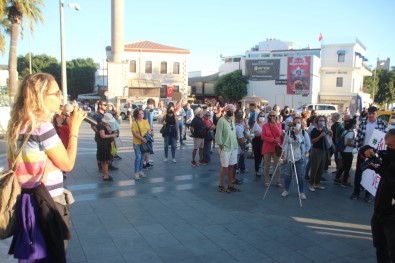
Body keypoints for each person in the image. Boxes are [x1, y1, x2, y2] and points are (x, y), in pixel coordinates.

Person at [6, 73, 86, 262]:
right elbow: (67, 164)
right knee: (53, 254)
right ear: (40, 96)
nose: (61, 97)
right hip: (47, 201)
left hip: (26, 199)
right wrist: (74, 130)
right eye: (56, 93)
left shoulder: (17, 125)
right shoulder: (42, 127)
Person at [360, 129, 395, 263]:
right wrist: (368, 150)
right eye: (387, 145)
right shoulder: (387, 155)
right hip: (379, 210)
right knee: (380, 246)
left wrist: (379, 169)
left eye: (391, 146)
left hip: (392, 216)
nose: (388, 148)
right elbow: (366, 150)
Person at [351, 106, 387, 202]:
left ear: (376, 113)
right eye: (369, 113)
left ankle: (368, 195)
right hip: (363, 151)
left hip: (375, 152)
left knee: (372, 172)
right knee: (359, 172)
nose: (371, 115)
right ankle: (356, 192)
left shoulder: (382, 124)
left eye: (373, 113)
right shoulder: (363, 123)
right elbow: (358, 138)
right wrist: (359, 150)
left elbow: (384, 139)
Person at [280, 117, 311, 199]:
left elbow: (308, 145)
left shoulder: (304, 133)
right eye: (295, 123)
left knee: (300, 176)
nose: (297, 124)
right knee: (288, 174)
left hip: (300, 158)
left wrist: (306, 151)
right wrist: (284, 155)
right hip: (290, 156)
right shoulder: (288, 133)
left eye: (298, 122)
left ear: (301, 124)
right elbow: (284, 144)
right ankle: (286, 189)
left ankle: (301, 192)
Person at [215, 104, 240, 193]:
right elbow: (218, 135)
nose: (231, 111)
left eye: (232, 110)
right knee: (224, 167)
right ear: (226, 110)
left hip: (233, 147)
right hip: (225, 147)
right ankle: (221, 185)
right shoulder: (221, 120)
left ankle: (230, 185)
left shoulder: (232, 119)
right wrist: (222, 146)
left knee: (232, 166)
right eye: (229, 109)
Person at [309, 115, 333, 191]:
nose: (322, 122)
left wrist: (331, 133)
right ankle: (311, 184)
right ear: (317, 121)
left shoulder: (325, 129)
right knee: (314, 168)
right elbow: (312, 141)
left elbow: (329, 139)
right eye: (320, 120)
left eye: (323, 120)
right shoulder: (314, 130)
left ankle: (317, 183)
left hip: (324, 150)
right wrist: (320, 136)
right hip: (316, 150)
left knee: (321, 168)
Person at [92, 100, 118, 171]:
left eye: (106, 105)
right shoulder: (96, 115)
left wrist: (112, 105)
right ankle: (101, 166)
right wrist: (99, 132)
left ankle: (109, 165)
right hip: (100, 137)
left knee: (110, 150)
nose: (106, 106)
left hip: (108, 135)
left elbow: (115, 113)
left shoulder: (106, 114)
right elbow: (93, 125)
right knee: (101, 151)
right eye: (104, 105)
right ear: (100, 105)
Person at [261, 110, 283, 187]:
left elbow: (279, 133)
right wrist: (272, 140)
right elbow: (263, 137)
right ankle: (266, 180)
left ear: (276, 117)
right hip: (267, 147)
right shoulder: (265, 126)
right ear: (268, 117)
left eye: (274, 116)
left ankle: (278, 181)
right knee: (267, 164)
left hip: (276, 147)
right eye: (271, 116)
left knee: (277, 165)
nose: (272, 117)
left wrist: (275, 125)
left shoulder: (279, 125)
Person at [333, 118, 356, 187]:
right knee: (347, 167)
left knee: (344, 166)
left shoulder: (345, 131)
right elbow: (348, 143)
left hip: (343, 150)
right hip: (348, 151)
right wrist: (355, 145)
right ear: (352, 125)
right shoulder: (351, 133)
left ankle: (337, 177)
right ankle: (344, 181)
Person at [131, 108, 153, 180]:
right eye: (140, 113)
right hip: (137, 143)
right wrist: (142, 139)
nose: (141, 115)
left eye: (142, 113)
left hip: (144, 142)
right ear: (136, 115)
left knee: (142, 158)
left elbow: (149, 130)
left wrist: (146, 138)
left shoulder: (145, 121)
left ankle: (140, 171)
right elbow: (134, 133)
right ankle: (136, 173)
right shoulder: (134, 123)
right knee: (138, 157)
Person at [96, 113, 118, 181]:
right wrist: (112, 135)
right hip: (103, 145)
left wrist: (114, 133)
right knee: (105, 161)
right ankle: (106, 175)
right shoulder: (101, 126)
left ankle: (105, 174)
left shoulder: (107, 125)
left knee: (105, 161)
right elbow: (103, 135)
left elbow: (109, 133)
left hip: (108, 144)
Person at [251, 112, 265, 177]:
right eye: (260, 116)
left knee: (265, 157)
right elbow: (257, 134)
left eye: (263, 116)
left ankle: (265, 170)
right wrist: (265, 133)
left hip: (264, 142)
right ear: (258, 117)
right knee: (257, 157)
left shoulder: (265, 125)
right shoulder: (256, 125)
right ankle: (257, 171)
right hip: (257, 142)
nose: (262, 117)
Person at [235, 108, 248, 175]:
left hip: (242, 141)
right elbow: (240, 140)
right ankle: (236, 169)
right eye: (239, 113)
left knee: (240, 156)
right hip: (238, 143)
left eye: (241, 113)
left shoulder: (241, 124)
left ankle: (240, 167)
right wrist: (242, 149)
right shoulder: (237, 126)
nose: (240, 114)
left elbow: (246, 131)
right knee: (237, 156)